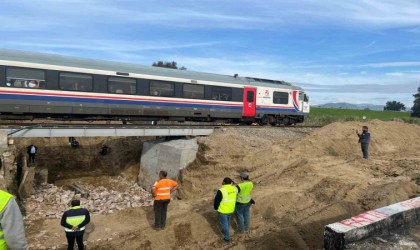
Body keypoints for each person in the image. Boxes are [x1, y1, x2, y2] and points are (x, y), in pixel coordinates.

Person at [214, 177, 238, 243]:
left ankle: (227, 238)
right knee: (227, 222)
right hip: (231, 209)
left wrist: (216, 208)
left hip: (223, 210)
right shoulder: (234, 189)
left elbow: (216, 201)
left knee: (224, 224)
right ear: (231, 182)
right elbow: (237, 188)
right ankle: (225, 230)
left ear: (223, 182)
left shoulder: (221, 190)